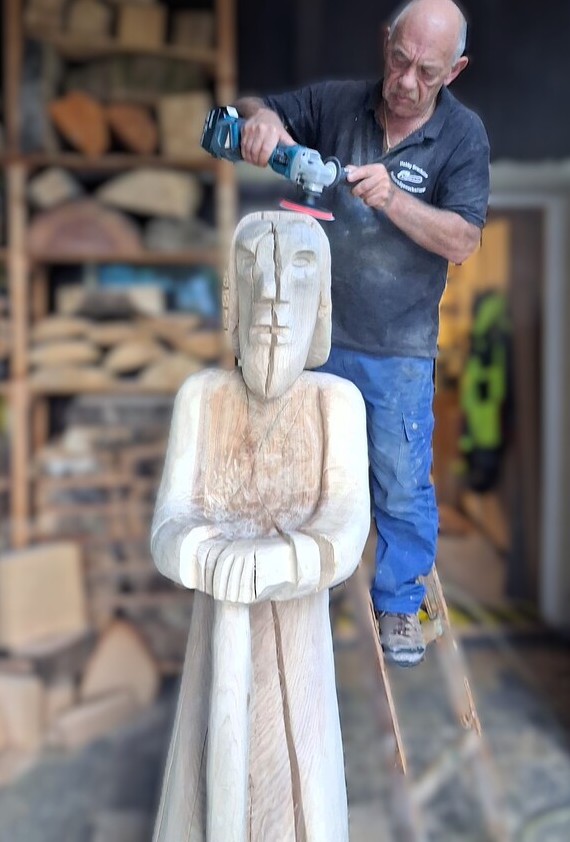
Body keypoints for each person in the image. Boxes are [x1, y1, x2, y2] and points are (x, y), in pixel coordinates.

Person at [234, 0, 490, 666]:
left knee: (400, 484)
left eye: (426, 72)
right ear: (386, 42)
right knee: (301, 473)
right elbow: (259, 106)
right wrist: (264, 123)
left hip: (398, 350)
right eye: (399, 60)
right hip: (312, 338)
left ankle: (399, 605)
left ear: (454, 71)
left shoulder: (462, 138)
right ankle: (300, 595)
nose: (406, 82)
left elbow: (462, 240)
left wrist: (393, 200)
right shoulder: (337, 104)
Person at [151, 211, 370, 842]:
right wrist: (204, 551)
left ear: (322, 303)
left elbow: (346, 524)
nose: (272, 294)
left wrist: (281, 560)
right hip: (215, 640)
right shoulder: (202, 397)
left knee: (298, 795)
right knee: (202, 790)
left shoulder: (336, 403)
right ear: (232, 301)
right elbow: (169, 520)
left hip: (298, 646)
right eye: (253, 270)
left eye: (298, 272)